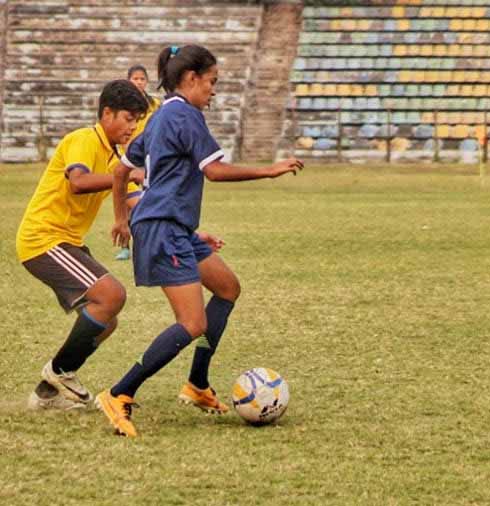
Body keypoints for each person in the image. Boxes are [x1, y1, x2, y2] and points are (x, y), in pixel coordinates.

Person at [96, 44, 303, 437]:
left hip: (172, 227)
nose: (214, 91)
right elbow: (215, 171)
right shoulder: (185, 116)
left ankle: (197, 384)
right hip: (162, 229)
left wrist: (123, 218)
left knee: (227, 288)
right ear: (190, 79)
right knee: (192, 322)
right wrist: (269, 171)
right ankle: (120, 393)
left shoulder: (159, 118)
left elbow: (123, 171)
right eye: (212, 82)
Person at [16, 80, 148, 410]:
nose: (132, 127)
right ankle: (59, 371)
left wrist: (188, 233)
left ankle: (47, 394)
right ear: (107, 113)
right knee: (112, 295)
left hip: (66, 242)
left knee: (107, 318)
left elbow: (136, 202)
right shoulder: (84, 139)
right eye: (128, 118)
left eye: (136, 120)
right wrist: (124, 176)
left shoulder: (115, 156)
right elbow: (78, 182)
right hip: (42, 238)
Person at [114, 65, 163, 261]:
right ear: (128, 81)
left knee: (145, 201)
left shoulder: (156, 105)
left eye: (142, 79)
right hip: (128, 158)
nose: (139, 82)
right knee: (127, 202)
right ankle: (125, 246)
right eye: (135, 79)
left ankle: (146, 242)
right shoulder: (122, 106)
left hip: (148, 157)